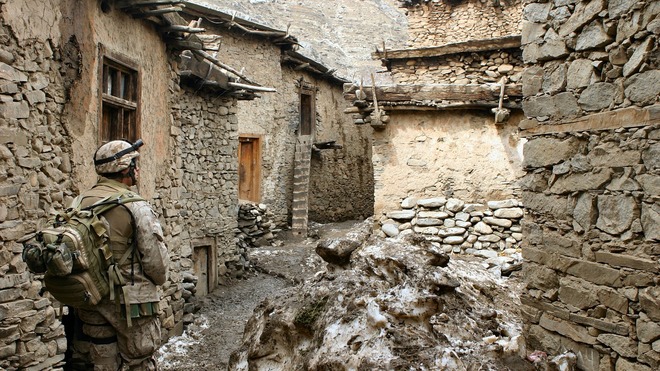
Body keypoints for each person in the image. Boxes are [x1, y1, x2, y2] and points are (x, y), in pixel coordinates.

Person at [69, 139, 170, 371]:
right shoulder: (136, 207)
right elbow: (156, 265)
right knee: (139, 362)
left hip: (91, 299)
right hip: (132, 305)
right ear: (125, 169)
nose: (138, 170)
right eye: (135, 164)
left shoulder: (79, 203)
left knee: (102, 362)